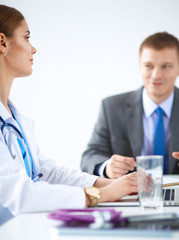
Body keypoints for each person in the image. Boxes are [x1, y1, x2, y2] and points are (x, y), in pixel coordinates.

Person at [0, 5, 138, 224]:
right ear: (2, 42)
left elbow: (48, 173)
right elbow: (21, 195)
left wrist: (112, 185)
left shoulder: (12, 115)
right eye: (26, 38)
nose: (33, 49)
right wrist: (102, 195)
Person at [81, 31, 179, 178]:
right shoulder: (112, 107)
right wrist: (107, 166)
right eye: (148, 66)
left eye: (166, 66)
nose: (156, 75)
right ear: (139, 66)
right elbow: (90, 155)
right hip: (129, 196)